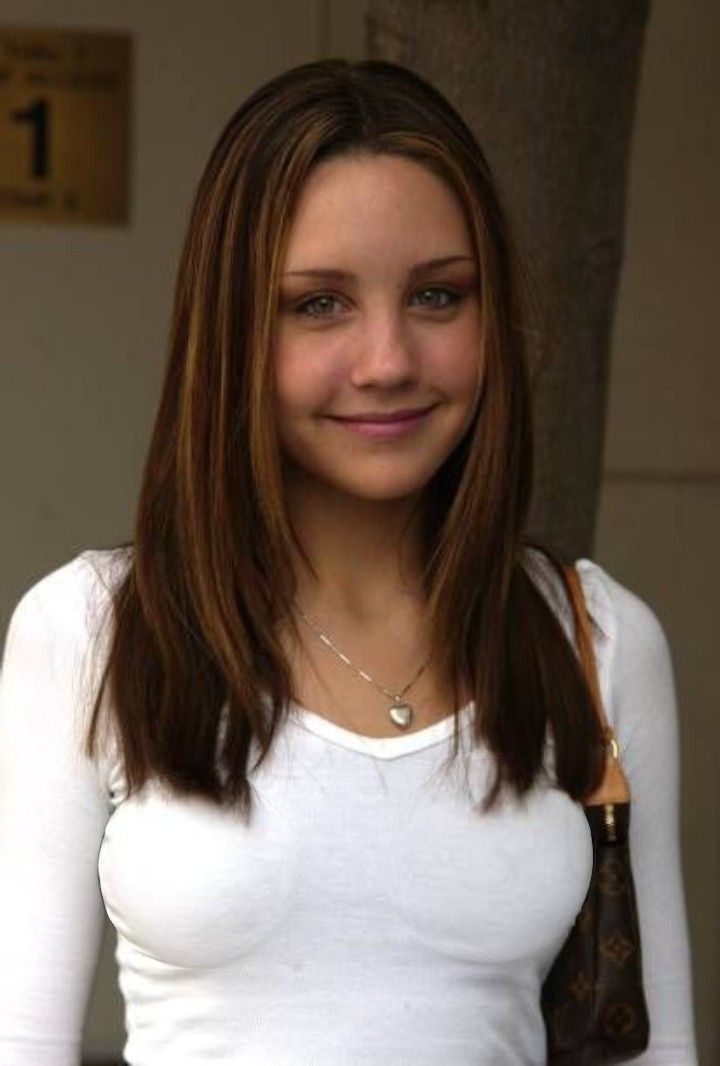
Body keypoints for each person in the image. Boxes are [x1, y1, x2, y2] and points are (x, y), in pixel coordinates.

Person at [0, 57, 698, 1065]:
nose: (388, 360)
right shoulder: (92, 631)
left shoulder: (595, 639)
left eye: (439, 296)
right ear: (233, 327)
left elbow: (653, 1050)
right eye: (319, 304)